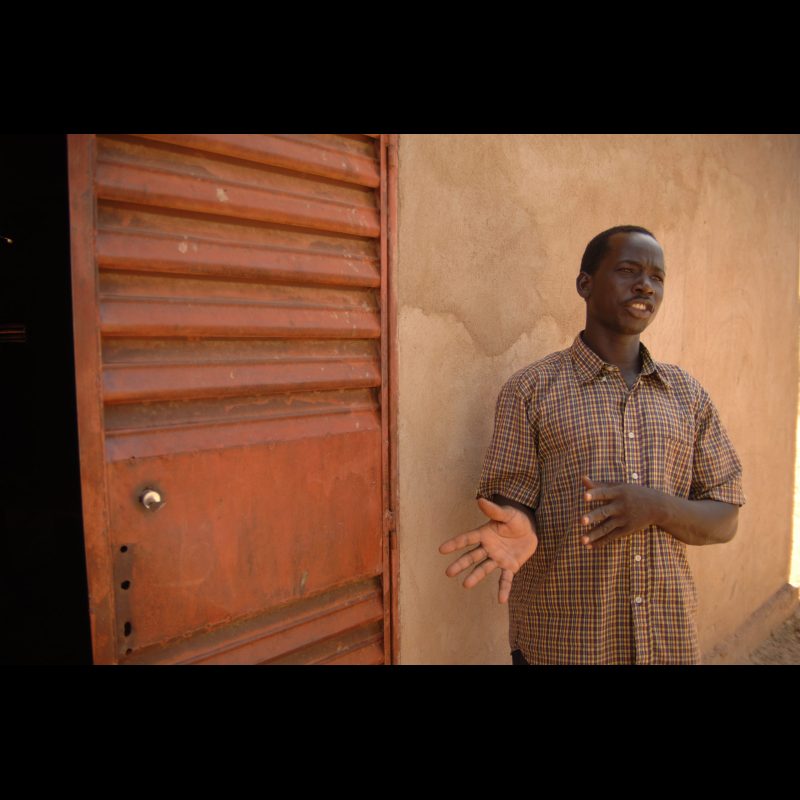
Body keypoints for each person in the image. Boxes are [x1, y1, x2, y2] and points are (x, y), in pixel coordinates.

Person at [439, 225, 745, 665]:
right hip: (563, 644)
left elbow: (725, 517)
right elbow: (513, 511)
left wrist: (656, 507)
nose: (645, 285)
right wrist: (519, 525)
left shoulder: (687, 395)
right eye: (628, 270)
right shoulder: (531, 390)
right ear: (585, 284)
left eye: (658, 277)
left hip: (667, 641)